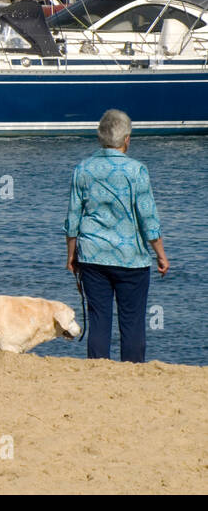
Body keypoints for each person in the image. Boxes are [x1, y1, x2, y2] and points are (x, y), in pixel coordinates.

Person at [64, 109, 170, 362]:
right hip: (130, 258)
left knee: (99, 318)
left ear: (101, 137)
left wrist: (71, 255)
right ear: (126, 139)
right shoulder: (136, 171)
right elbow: (148, 218)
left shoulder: (83, 169)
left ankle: (97, 370)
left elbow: (72, 218)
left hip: (92, 257)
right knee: (132, 321)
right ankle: (132, 372)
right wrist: (161, 256)